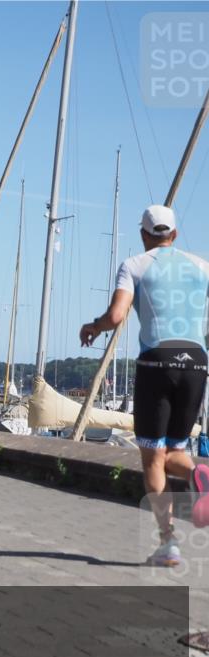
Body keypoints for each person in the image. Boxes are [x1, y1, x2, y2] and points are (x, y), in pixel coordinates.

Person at [79, 205, 209, 565]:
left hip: (157, 362)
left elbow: (116, 316)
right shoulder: (203, 268)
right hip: (197, 362)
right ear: (176, 235)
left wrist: (93, 326)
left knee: (152, 456)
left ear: (144, 234)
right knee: (174, 452)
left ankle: (168, 543)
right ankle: (201, 473)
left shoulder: (135, 265)